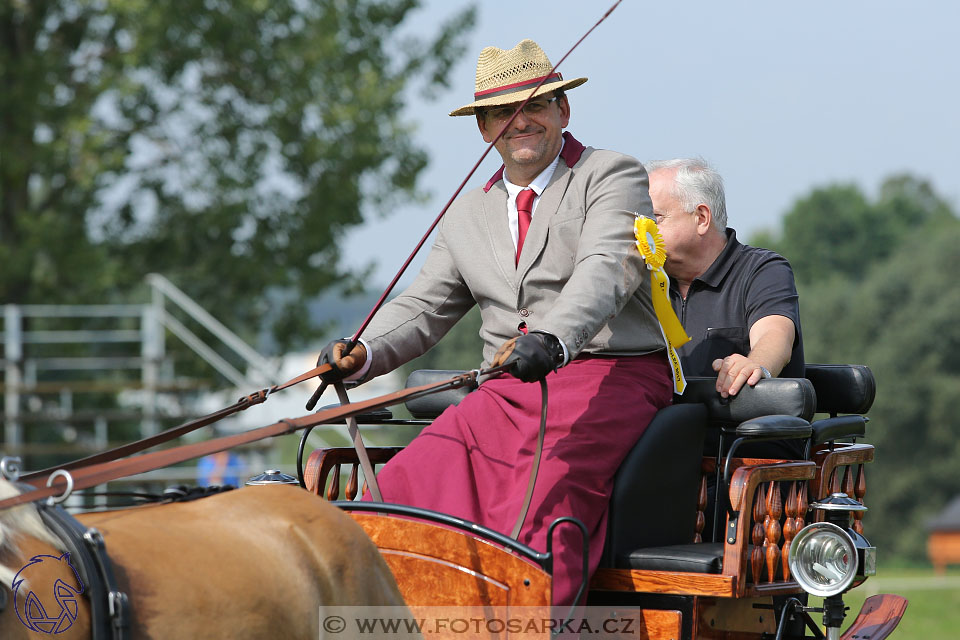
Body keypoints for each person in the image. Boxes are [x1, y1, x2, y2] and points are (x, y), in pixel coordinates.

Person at [317, 39, 673, 606]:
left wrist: (553, 339)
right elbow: (426, 306)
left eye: (534, 105)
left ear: (563, 111)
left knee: (541, 517)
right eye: (501, 113)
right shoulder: (467, 212)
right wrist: (363, 352)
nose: (519, 122)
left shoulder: (611, 175)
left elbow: (608, 267)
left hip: (609, 375)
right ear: (484, 130)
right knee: (392, 500)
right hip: (506, 388)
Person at [646, 157, 805, 459]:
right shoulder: (643, 282)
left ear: (702, 217)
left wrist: (754, 364)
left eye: (654, 219)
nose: (641, 234)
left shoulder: (762, 269)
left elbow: (776, 337)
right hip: (666, 455)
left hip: (747, 461)